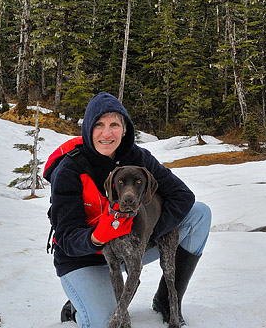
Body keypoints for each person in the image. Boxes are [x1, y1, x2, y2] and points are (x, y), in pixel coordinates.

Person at [48, 91, 211, 327]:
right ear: (88, 130)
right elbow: (65, 237)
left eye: (114, 124)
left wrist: (148, 233)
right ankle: (77, 303)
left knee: (199, 214)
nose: (107, 133)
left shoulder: (138, 158)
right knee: (107, 323)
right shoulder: (70, 169)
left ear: (124, 129)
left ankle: (166, 301)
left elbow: (182, 196)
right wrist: (96, 237)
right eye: (99, 125)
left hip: (130, 249)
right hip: (83, 259)